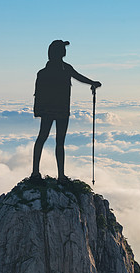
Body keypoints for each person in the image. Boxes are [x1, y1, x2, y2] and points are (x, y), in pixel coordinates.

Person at [31, 40, 101, 184]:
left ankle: (36, 172)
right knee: (59, 142)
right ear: (60, 52)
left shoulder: (44, 72)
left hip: (49, 111)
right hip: (61, 110)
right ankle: (60, 176)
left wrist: (39, 111)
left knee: (42, 138)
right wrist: (92, 83)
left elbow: (38, 94)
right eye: (63, 48)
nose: (65, 50)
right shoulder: (65, 68)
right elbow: (79, 77)